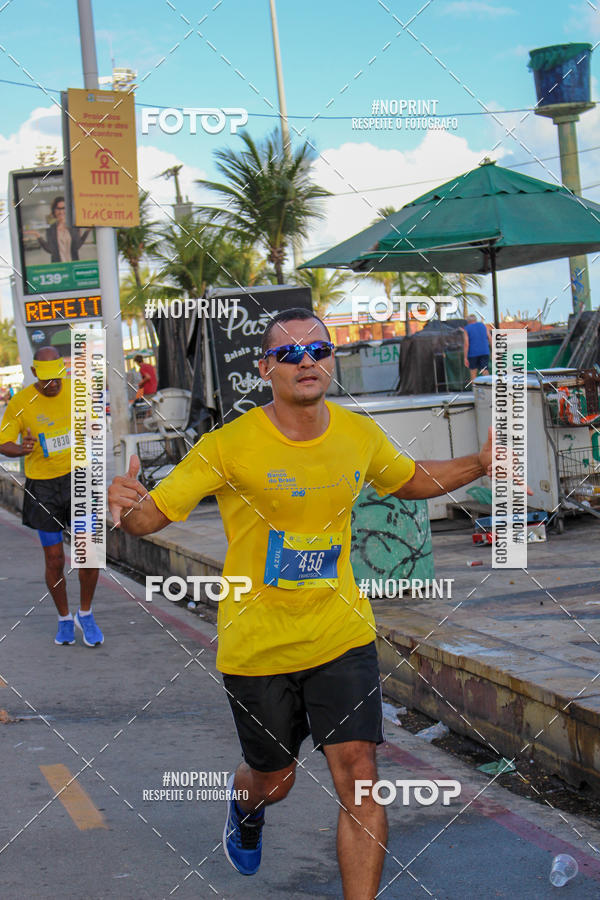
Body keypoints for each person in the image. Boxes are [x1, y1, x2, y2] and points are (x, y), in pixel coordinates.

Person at [108, 308, 493, 898]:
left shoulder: (357, 433)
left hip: (341, 634)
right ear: (266, 369)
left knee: (360, 777)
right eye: (288, 354)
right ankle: (246, 805)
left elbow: (409, 478)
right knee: (275, 778)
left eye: (317, 350)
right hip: (258, 645)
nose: (305, 361)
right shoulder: (228, 445)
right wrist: (126, 501)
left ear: (330, 361)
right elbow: (148, 518)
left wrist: (482, 462)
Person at [0, 346, 103, 647]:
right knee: (55, 558)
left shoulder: (77, 390)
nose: (53, 384)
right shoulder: (20, 402)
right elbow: (3, 442)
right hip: (43, 487)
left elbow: (94, 425)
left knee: (88, 552)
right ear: (34, 373)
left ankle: (86, 613)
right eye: (47, 380)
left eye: (58, 378)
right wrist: (22, 449)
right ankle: (64, 618)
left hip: (79, 479)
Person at [26, 196, 91, 263]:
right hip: (58, 267)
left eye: (64, 208)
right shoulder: (51, 228)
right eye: (58, 209)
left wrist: (87, 231)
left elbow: (77, 246)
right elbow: (50, 250)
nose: (61, 211)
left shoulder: (73, 227)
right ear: (54, 210)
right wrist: (37, 235)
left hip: (73, 265)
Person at [462, 313, 492, 380]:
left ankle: (475, 389)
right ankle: (488, 388)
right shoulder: (483, 326)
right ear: (476, 320)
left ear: (468, 321)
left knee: (473, 372)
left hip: (473, 353)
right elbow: (490, 338)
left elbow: (466, 344)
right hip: (484, 352)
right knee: (485, 370)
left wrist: (465, 357)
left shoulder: (466, 329)